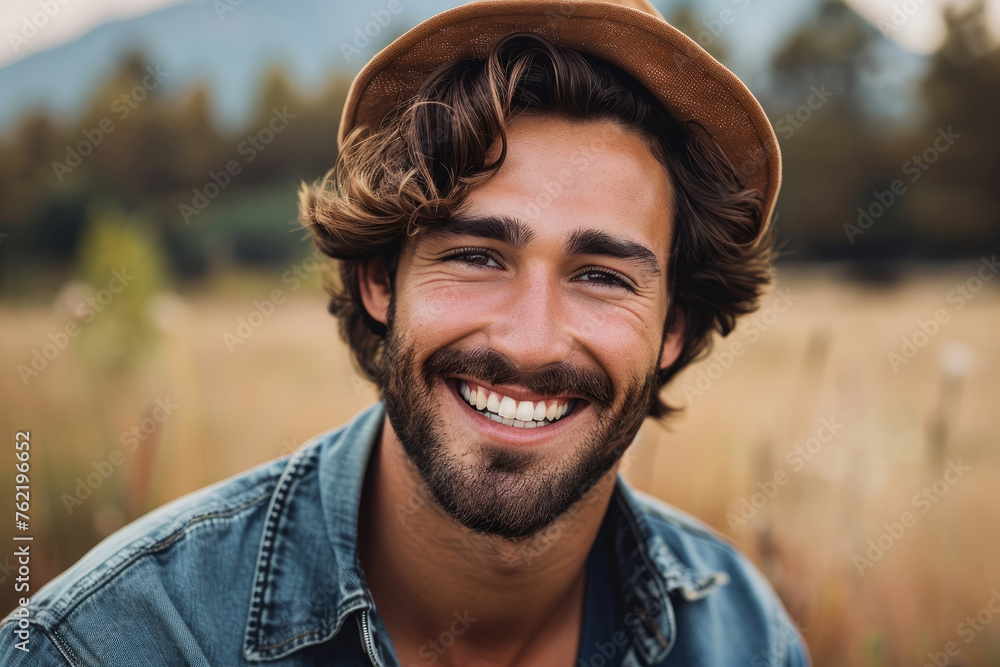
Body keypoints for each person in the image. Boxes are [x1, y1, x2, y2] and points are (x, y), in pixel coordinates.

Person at [0, 0, 809, 664]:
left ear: (675, 328)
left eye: (601, 275)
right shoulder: (110, 644)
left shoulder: (745, 639)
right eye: (477, 256)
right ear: (379, 279)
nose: (530, 342)